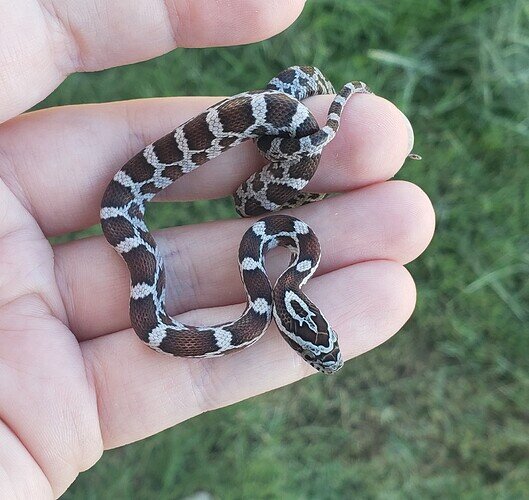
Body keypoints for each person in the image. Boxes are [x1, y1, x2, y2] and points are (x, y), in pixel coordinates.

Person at [0, 1, 434, 497]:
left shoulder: (295, 260)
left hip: (242, 187)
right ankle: (297, 128)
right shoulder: (287, 268)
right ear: (296, 326)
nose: (320, 356)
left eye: (317, 352)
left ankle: (295, 129)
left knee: (276, 156)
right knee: (280, 144)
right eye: (317, 349)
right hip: (135, 196)